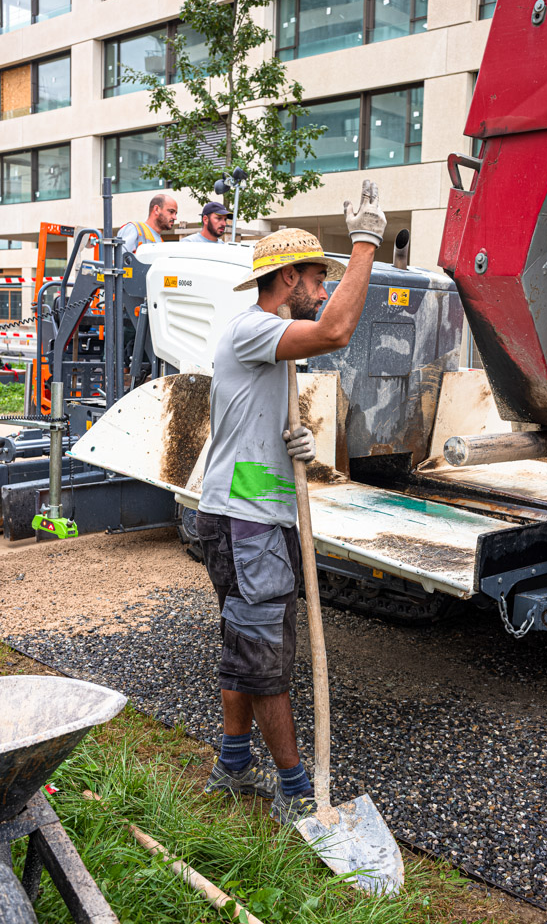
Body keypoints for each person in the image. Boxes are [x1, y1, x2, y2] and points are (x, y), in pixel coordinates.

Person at [196, 180, 386, 825]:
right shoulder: (253, 327)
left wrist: (293, 451)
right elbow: (336, 331)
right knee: (267, 656)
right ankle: (296, 790)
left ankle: (230, 763)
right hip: (245, 520)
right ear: (285, 277)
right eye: (317, 275)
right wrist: (364, 243)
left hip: (248, 510)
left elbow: (248, 428)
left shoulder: (269, 341)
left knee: (245, 644)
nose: (325, 287)